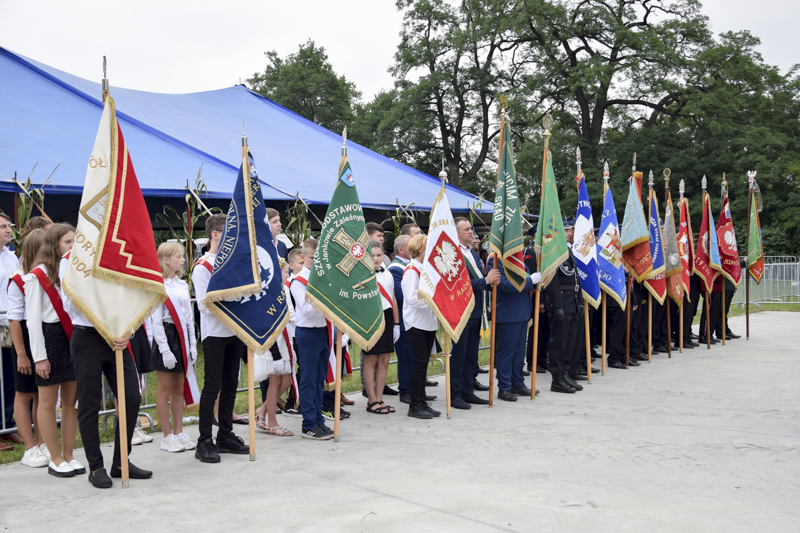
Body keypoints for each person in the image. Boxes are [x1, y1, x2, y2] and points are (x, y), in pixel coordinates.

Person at [192, 214, 250, 462]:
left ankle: (225, 435)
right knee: (212, 386)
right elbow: (205, 305)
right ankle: (204, 440)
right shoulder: (202, 266)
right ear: (215, 234)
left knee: (230, 385)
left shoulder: (234, 261)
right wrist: (231, 297)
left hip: (233, 331)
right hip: (215, 333)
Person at [25, 224, 82, 477]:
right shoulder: (37, 275)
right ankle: (54, 457)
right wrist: (39, 357)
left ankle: (68, 454)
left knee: (71, 402)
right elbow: (33, 321)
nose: (73, 246)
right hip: (50, 340)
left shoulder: (72, 270)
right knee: (47, 402)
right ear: (54, 244)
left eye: (74, 241)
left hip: (72, 338)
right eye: (68, 242)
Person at [151, 243, 197, 453]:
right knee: (165, 388)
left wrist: (192, 344)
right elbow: (156, 321)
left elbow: (188, 318)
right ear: (166, 259)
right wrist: (164, 349)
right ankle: (166, 435)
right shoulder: (157, 285)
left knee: (179, 387)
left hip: (181, 338)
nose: (183, 260)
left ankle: (178, 431)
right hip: (166, 336)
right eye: (178, 256)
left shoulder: (182, 285)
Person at [8, 228, 48, 467]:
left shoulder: (47, 276)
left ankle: (42, 441)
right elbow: (15, 320)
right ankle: (30, 448)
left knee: (41, 393)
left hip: (42, 337)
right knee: (23, 395)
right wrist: (21, 354)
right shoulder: (18, 280)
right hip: (24, 339)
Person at [450, 219, 499, 408]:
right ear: (456, 233)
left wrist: (488, 280)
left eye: (471, 228)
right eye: (467, 229)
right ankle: (454, 394)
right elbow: (457, 286)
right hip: (461, 312)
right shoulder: (453, 255)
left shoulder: (471, 252)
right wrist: (485, 281)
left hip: (476, 310)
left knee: (471, 355)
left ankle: (467, 390)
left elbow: (478, 278)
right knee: (459, 355)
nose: (471, 232)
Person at [290, 238, 334, 440]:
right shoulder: (298, 281)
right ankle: (308, 424)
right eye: (311, 258)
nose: (316, 262)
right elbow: (307, 311)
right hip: (308, 332)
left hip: (323, 330)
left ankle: (318, 420)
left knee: (319, 379)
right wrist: (324, 295)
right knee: (308, 379)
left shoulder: (325, 278)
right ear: (303, 257)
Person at [487, 252, 540, 401]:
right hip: (508, 313)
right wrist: (530, 281)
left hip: (522, 311)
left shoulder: (517, 258)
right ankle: (504, 387)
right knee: (506, 354)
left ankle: (517, 383)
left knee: (518, 353)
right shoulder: (495, 260)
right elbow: (503, 285)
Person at [542, 218, 585, 393]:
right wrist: (557, 305)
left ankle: (566, 373)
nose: (570, 232)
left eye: (571, 229)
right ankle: (557, 378)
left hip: (572, 302)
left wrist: (580, 301)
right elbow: (551, 280)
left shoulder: (568, 250)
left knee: (570, 342)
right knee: (559, 342)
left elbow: (575, 278)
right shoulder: (555, 252)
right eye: (567, 230)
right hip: (561, 302)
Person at [401, 235, 441, 419]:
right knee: (419, 364)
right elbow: (412, 298)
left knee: (423, 365)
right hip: (416, 323)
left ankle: (422, 401)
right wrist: (434, 302)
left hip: (427, 322)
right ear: (419, 249)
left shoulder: (424, 269)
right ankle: (415, 405)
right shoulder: (411, 270)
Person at [254, 259, 295, 436]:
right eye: (286, 272)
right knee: (275, 380)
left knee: (286, 380)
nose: (289, 275)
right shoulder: (267, 291)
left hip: (285, 337)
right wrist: (275, 353)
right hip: (273, 340)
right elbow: (267, 321)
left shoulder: (283, 288)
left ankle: (262, 410)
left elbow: (290, 312)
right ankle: (272, 422)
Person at [362, 240, 400, 414]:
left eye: (379, 255)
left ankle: (379, 398)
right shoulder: (362, 274)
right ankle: (371, 400)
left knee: (384, 359)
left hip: (386, 317)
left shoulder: (387, 273)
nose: (376, 259)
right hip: (370, 317)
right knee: (371, 359)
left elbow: (392, 299)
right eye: (372, 255)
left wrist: (397, 323)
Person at [0, 213, 20, 444]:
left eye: (9, 226)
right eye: (3, 227)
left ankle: (7, 425)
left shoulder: (11, 256)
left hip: (10, 325)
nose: (8, 230)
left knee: (9, 379)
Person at [388, 235, 414, 405]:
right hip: (404, 322)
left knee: (415, 358)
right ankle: (405, 390)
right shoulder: (395, 269)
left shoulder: (409, 266)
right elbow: (400, 295)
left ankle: (416, 389)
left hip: (414, 320)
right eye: (410, 245)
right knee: (406, 358)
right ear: (401, 250)